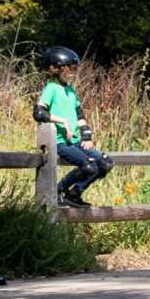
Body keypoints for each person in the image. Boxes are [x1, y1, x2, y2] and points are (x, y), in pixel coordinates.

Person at [36, 46, 113, 209]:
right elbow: (38, 112)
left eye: (73, 68)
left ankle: (74, 194)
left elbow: (79, 116)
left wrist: (86, 136)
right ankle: (57, 192)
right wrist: (62, 121)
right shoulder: (51, 88)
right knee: (89, 167)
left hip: (75, 141)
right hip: (60, 141)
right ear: (56, 69)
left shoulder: (71, 90)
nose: (72, 72)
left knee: (105, 163)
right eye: (68, 68)